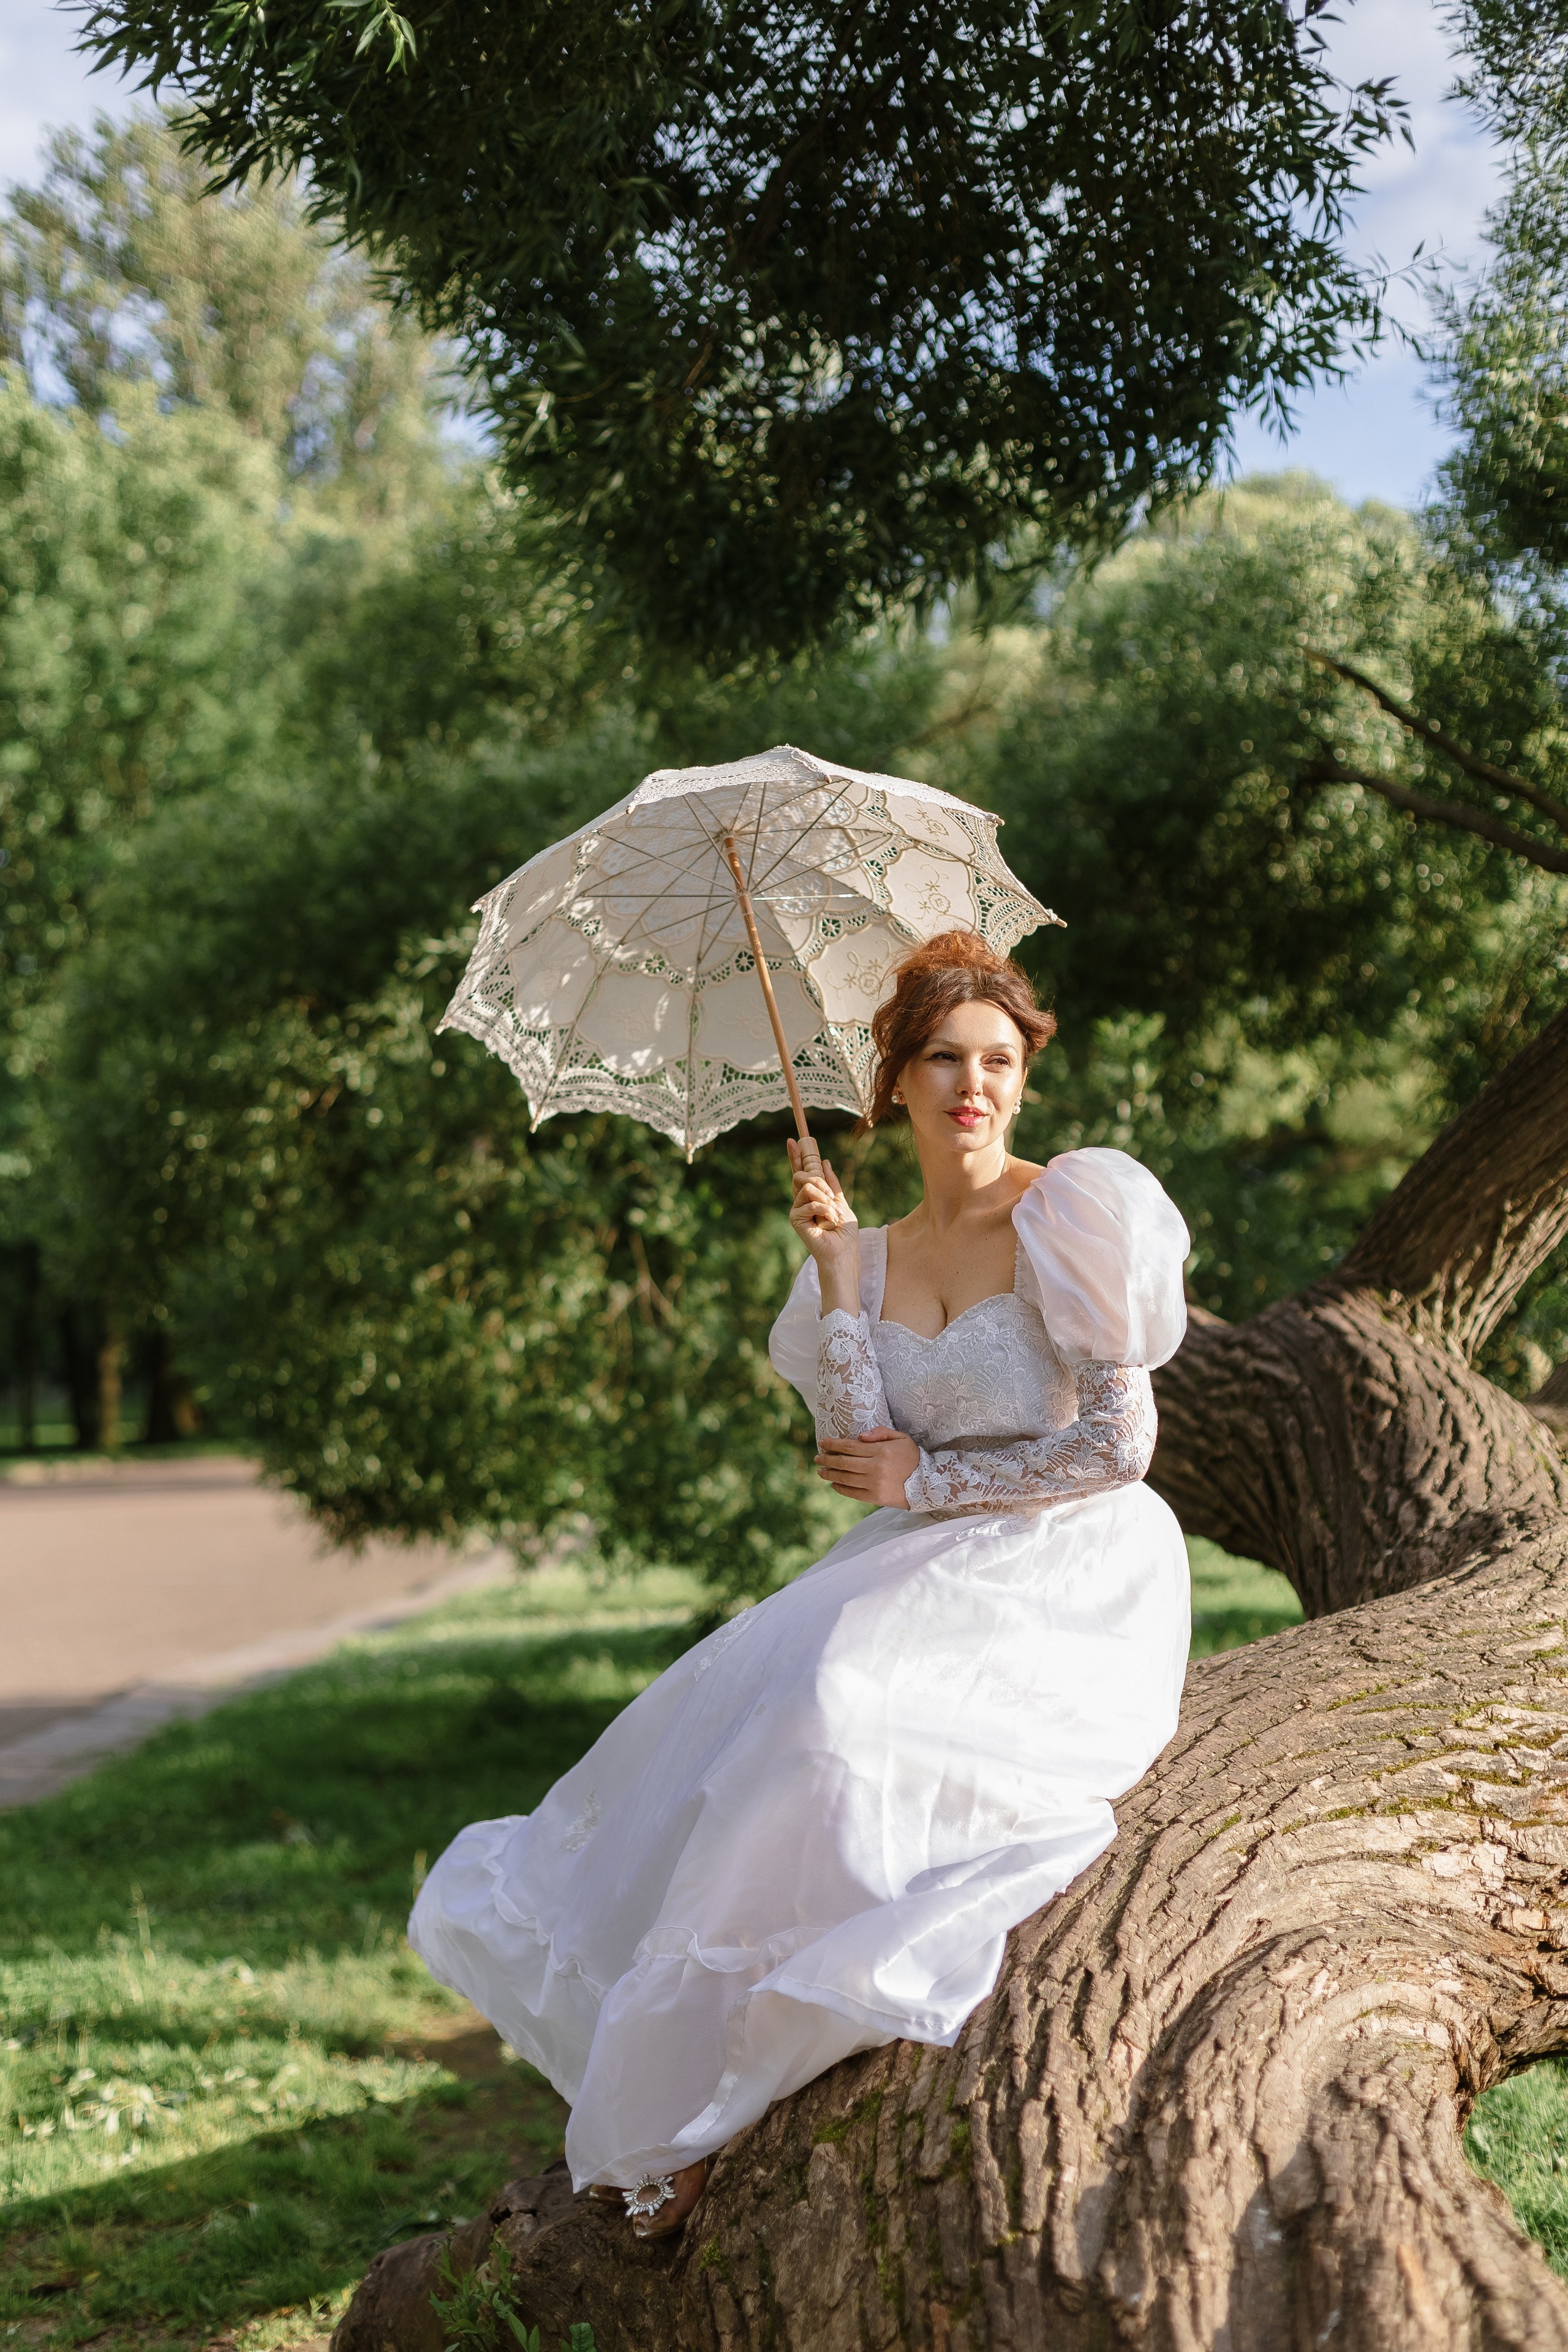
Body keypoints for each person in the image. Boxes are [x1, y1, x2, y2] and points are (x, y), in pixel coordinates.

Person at [408, 930, 1191, 2239]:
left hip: (1069, 1553)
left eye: (997, 1060)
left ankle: (771, 2033)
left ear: (1023, 1079)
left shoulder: (1071, 1213)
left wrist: (923, 1489)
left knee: (836, 1712)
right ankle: (688, 2089)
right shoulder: (863, 1251)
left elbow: (1119, 1445)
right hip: (910, 1551)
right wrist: (839, 1284)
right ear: (891, 1083)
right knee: (741, 1710)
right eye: (942, 1058)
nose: (972, 1086)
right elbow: (849, 1448)